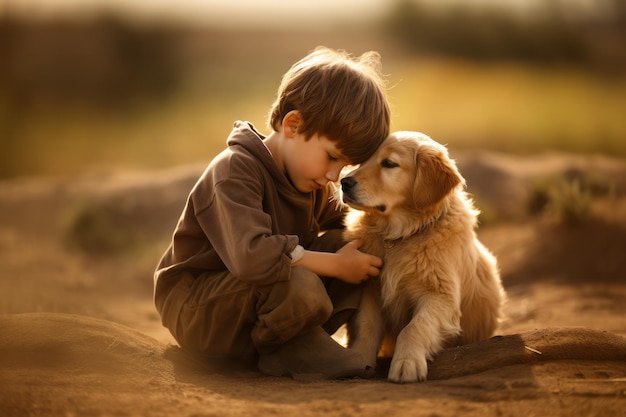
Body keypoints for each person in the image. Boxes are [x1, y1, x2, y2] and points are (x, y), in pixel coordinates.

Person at [154, 46, 391, 379]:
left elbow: (352, 224)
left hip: (255, 305)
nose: (334, 176)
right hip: (198, 309)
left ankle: (296, 344)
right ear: (293, 125)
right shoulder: (235, 171)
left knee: (354, 243)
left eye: (346, 165)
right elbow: (254, 257)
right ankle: (287, 351)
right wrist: (336, 266)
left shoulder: (310, 181)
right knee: (299, 279)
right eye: (332, 157)